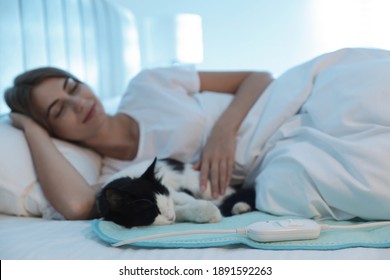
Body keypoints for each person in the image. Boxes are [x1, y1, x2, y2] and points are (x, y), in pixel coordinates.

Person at [4, 66, 273, 220]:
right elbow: (77, 206)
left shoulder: (147, 84)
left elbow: (259, 77)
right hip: (268, 168)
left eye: (73, 87)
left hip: (272, 116)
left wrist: (222, 132)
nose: (78, 103)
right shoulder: (118, 176)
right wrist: (32, 129)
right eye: (58, 110)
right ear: (52, 131)